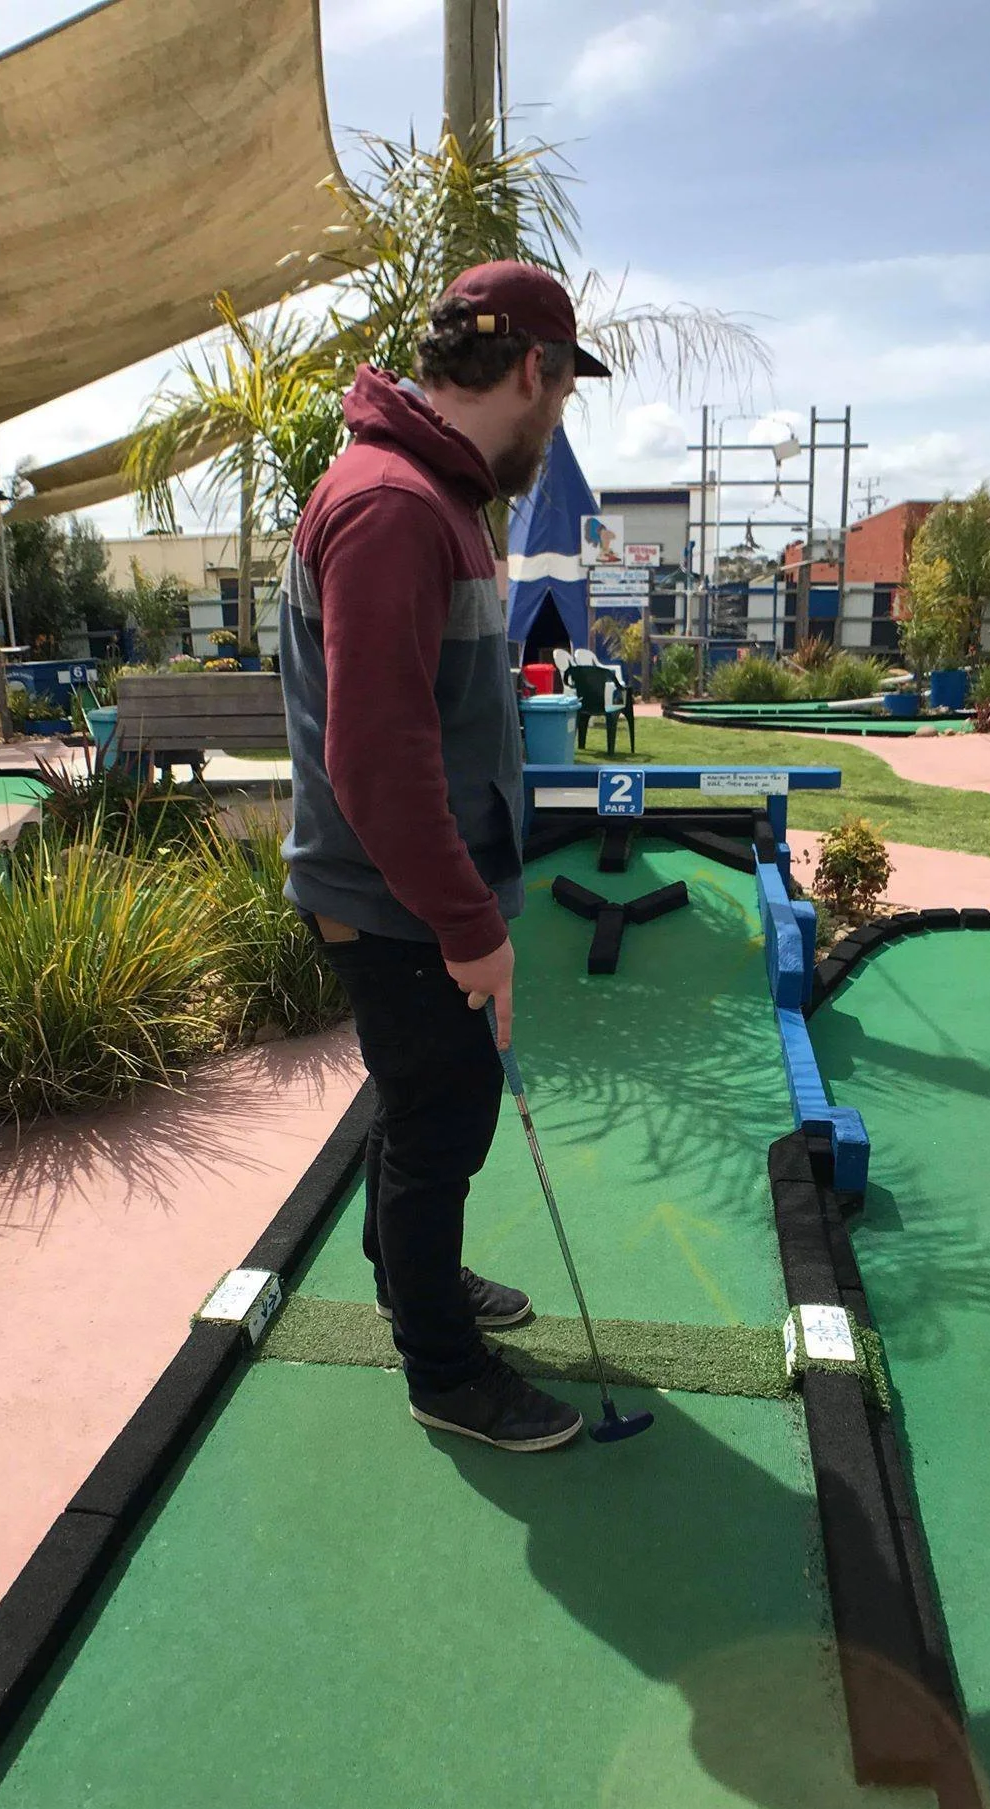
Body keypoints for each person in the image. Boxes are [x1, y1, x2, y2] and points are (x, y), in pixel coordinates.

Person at [278, 261, 612, 1450]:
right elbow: (376, 761)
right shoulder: (395, 506)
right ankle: (442, 1367)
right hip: (396, 902)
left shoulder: (436, 493)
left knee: (424, 1103)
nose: (558, 415)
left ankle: (411, 1270)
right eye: (565, 391)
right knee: (445, 1111)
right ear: (534, 368)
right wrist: (471, 925)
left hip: (413, 892)